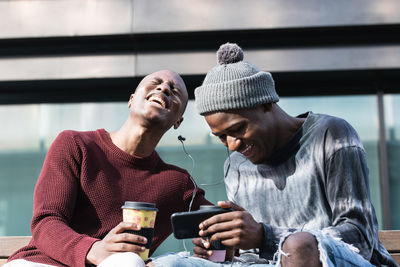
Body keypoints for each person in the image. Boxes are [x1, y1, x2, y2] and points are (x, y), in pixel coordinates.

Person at [150, 44, 398, 267]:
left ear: (267, 104)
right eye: (221, 137)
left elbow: (360, 237)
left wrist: (264, 236)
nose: (233, 145)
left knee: (299, 247)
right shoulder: (235, 166)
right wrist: (230, 250)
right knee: (170, 265)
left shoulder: (331, 135)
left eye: (237, 129)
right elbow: (255, 257)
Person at [5, 70, 211, 267]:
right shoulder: (75, 144)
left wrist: (219, 242)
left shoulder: (176, 183)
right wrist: (95, 249)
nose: (165, 88)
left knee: (131, 261)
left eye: (175, 92)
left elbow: (220, 222)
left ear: (178, 122)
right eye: (156, 83)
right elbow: (45, 223)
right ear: (131, 100)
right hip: (40, 263)